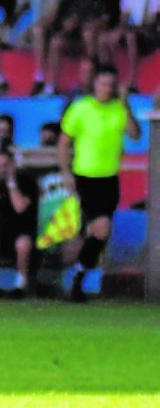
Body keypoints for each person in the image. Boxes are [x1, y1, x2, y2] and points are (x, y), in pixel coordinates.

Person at [59, 64, 140, 300]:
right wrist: (66, 173)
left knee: (100, 233)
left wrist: (126, 104)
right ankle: (78, 277)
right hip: (86, 175)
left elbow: (135, 134)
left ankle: (78, 276)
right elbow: (64, 142)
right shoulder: (81, 108)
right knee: (101, 228)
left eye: (111, 85)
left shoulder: (118, 109)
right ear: (95, 84)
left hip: (109, 178)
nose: (107, 88)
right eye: (103, 83)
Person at [98, 0, 160, 92]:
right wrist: (119, 31)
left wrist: (127, 30)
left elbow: (152, 21)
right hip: (132, 31)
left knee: (131, 37)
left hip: (151, 35)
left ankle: (133, 82)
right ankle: (107, 78)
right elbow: (124, 18)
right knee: (104, 38)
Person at [0, 147, 38, 294]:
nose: (3, 170)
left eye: (5, 165)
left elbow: (20, 207)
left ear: (13, 164)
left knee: (23, 243)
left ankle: (20, 286)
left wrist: (12, 185)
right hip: (3, 237)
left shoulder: (28, 183)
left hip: (26, 236)